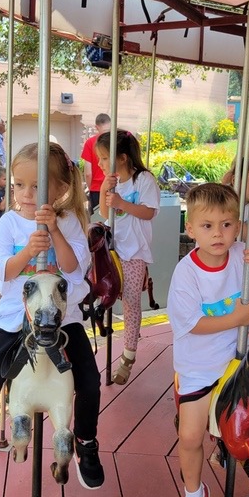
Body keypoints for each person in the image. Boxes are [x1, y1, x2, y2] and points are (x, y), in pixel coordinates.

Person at [0, 141, 103, 497]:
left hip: (62, 319)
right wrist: (29, 252)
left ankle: (85, 440)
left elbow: (74, 269)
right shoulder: (9, 223)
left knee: (90, 381)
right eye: (19, 185)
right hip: (17, 318)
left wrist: (55, 232)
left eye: (37, 186)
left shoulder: (70, 223)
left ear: (60, 189)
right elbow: (2, 273)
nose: (26, 194)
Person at [167, 183, 249, 497]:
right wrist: (237, 318)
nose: (218, 234)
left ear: (238, 227)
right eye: (208, 226)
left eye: (227, 225)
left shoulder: (244, 255)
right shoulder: (186, 273)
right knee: (189, 436)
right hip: (199, 367)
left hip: (236, 360)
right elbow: (191, 324)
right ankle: (194, 495)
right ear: (191, 229)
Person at [96, 130, 160, 385]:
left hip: (133, 251)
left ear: (122, 158)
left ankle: (128, 354)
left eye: (104, 158)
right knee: (100, 289)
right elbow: (104, 213)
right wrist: (104, 190)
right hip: (113, 248)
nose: (100, 163)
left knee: (131, 301)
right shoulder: (111, 182)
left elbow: (149, 212)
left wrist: (121, 203)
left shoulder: (143, 179)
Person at [81, 113, 111, 214]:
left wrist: (90, 189)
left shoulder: (90, 142)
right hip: (115, 186)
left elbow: (88, 173)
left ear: (96, 127)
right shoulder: (116, 141)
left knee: (98, 218)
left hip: (96, 189)